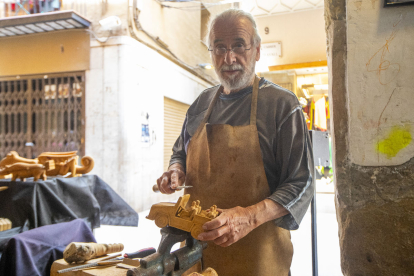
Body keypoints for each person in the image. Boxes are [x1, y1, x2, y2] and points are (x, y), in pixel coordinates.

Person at [156, 9, 314, 276]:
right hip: (196, 256)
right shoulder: (200, 104)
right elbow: (179, 153)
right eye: (219, 47)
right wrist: (175, 170)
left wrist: (249, 216)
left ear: (257, 50)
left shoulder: (282, 106)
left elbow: (301, 182)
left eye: (239, 45)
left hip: (257, 258)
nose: (229, 58)